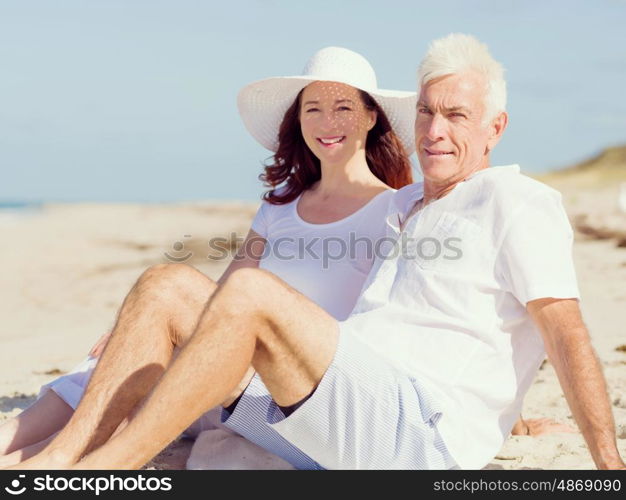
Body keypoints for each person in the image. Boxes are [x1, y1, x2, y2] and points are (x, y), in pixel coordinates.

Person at [16, 34, 614, 471]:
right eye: (427, 112)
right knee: (164, 283)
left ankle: (109, 469)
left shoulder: (515, 199)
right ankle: (60, 459)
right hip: (327, 412)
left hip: (416, 431)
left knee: (249, 294)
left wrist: (607, 468)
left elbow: (562, 333)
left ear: (496, 128)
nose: (434, 130)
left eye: (457, 116)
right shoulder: (408, 205)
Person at [0, 46, 415, 469]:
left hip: (300, 385)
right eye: (313, 109)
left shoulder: (395, 210)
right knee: (118, 356)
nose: (327, 122)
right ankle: (24, 453)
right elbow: (225, 296)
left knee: (155, 324)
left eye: (343, 107)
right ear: (299, 120)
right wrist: (142, 325)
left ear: (371, 116)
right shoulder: (280, 207)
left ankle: (52, 458)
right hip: (235, 367)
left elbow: (381, 325)